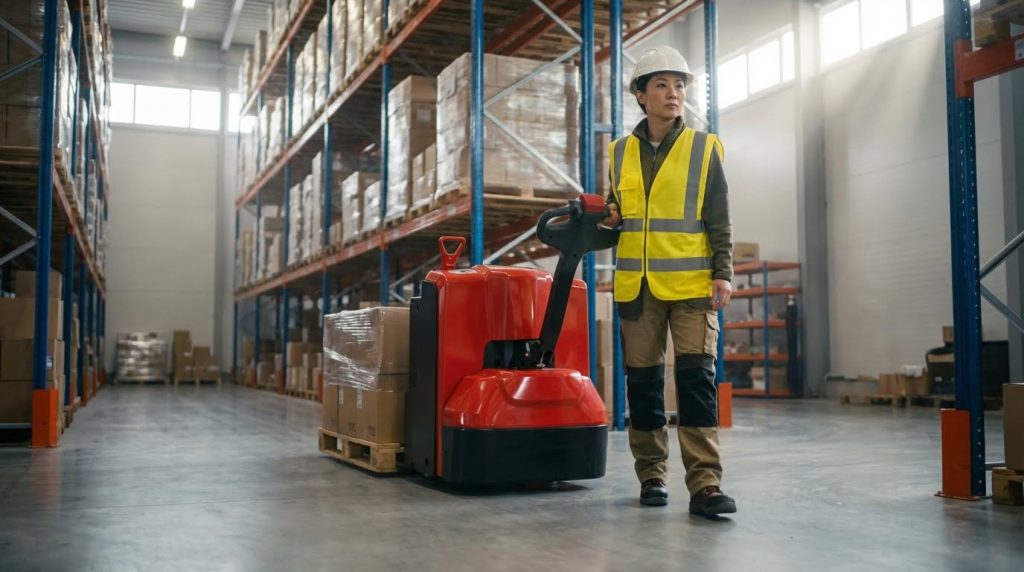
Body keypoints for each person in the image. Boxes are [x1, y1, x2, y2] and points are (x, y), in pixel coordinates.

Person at [600, 45, 736, 518]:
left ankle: (705, 485)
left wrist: (724, 272)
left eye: (679, 86)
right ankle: (652, 476)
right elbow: (616, 213)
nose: (673, 94)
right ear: (641, 95)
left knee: (698, 381)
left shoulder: (704, 147)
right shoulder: (618, 153)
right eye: (661, 84)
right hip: (637, 288)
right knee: (643, 385)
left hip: (694, 286)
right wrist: (608, 217)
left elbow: (719, 217)